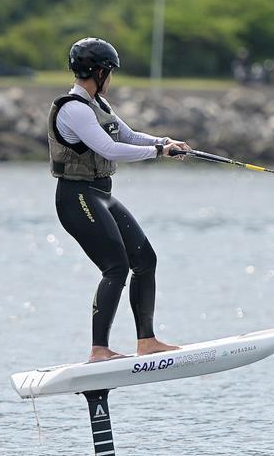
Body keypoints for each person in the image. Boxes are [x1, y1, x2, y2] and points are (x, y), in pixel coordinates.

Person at [49, 37, 190, 363]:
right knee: (115, 266)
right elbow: (109, 149)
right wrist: (159, 152)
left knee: (145, 259)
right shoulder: (73, 109)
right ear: (98, 72)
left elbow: (126, 136)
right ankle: (99, 350)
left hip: (101, 194)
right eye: (109, 72)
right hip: (76, 197)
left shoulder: (99, 105)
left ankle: (147, 341)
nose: (111, 79)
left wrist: (165, 141)